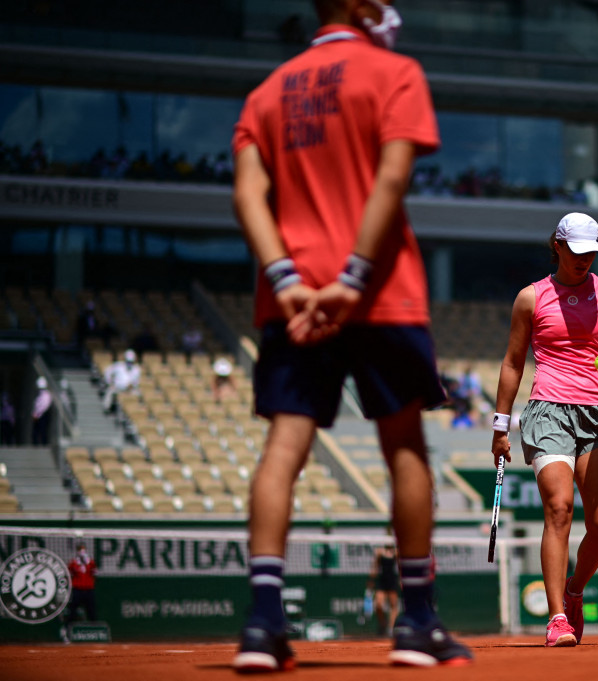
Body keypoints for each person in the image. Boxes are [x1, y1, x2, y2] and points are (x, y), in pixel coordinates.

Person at [230, 0, 471, 670]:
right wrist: (353, 276)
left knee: (283, 448)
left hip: (293, 298)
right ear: (363, 7)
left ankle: (262, 623)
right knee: (404, 445)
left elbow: (247, 195)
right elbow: (392, 176)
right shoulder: (395, 73)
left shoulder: (265, 93)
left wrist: (285, 278)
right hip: (381, 292)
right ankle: (417, 621)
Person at [490, 212, 598, 648]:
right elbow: (513, 362)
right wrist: (500, 426)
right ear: (558, 246)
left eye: (591, 252)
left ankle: (574, 590)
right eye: (576, 251)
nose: (584, 259)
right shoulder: (530, 298)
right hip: (548, 411)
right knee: (559, 508)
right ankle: (556, 619)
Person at [62, 542, 98, 641]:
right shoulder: (73, 563)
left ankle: (95, 633)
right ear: (77, 551)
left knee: (91, 611)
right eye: (80, 550)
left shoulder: (91, 562)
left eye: (83, 549)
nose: (82, 551)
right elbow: (68, 574)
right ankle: (66, 632)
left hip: (88, 590)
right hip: (77, 590)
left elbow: (95, 573)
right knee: (72, 611)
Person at [369, 543, 400, 636]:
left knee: (393, 605)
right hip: (382, 580)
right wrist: (371, 579)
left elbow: (400, 567)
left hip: (392, 581)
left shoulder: (396, 552)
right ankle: (383, 624)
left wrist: (401, 579)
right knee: (378, 604)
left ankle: (390, 628)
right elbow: (375, 566)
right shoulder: (379, 552)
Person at [102, 349, 141, 415]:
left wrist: (132, 386)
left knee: (138, 394)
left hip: (129, 389)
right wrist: (110, 382)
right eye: (128, 361)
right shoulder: (118, 366)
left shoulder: (136, 369)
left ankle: (135, 412)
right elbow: (108, 372)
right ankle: (106, 408)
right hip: (117, 387)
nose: (129, 363)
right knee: (110, 392)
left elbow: (136, 381)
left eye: (131, 362)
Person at [31, 377, 53, 446]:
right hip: (38, 416)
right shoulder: (40, 395)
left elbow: (44, 406)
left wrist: (37, 414)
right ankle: (36, 445)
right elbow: (36, 406)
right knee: (35, 432)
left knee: (43, 431)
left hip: (43, 415)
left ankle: (44, 445)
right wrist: (35, 414)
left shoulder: (47, 395)